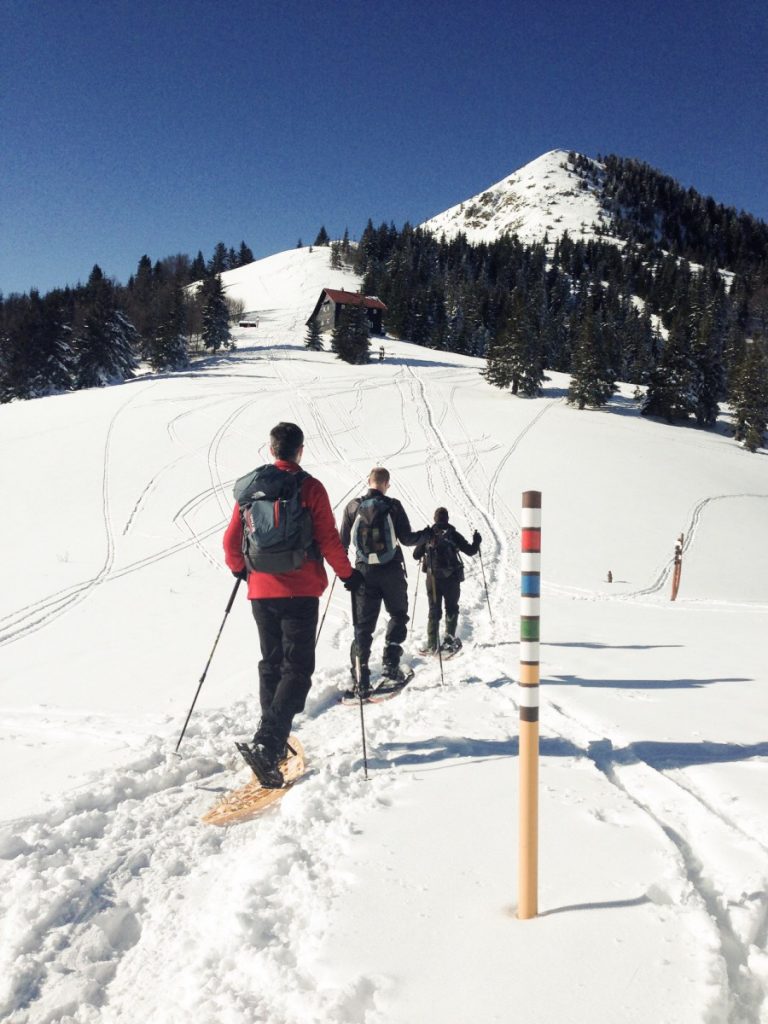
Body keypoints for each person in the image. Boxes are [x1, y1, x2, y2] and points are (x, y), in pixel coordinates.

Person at [223, 422, 363, 787]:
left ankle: (270, 736)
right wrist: (348, 575)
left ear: (271, 450)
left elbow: (230, 541)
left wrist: (242, 570)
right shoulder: (310, 487)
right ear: (300, 450)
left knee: (271, 663)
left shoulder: (251, 488)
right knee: (297, 670)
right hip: (299, 590)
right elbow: (329, 539)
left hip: (260, 590)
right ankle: (269, 743)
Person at [340, 467, 430, 696]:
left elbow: (341, 543)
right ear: (386, 484)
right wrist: (427, 535)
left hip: (363, 573)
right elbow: (408, 539)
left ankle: (361, 677)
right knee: (398, 615)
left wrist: (346, 573)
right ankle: (390, 665)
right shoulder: (393, 506)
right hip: (391, 572)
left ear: (368, 481)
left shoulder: (353, 506)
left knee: (363, 627)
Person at [413, 507, 481, 654]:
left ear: (434, 518)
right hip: (451, 579)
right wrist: (477, 541)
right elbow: (471, 551)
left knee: (434, 610)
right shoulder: (454, 534)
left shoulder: (428, 534)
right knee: (451, 608)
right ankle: (449, 642)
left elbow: (415, 555)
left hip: (432, 579)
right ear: (447, 519)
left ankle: (432, 645)